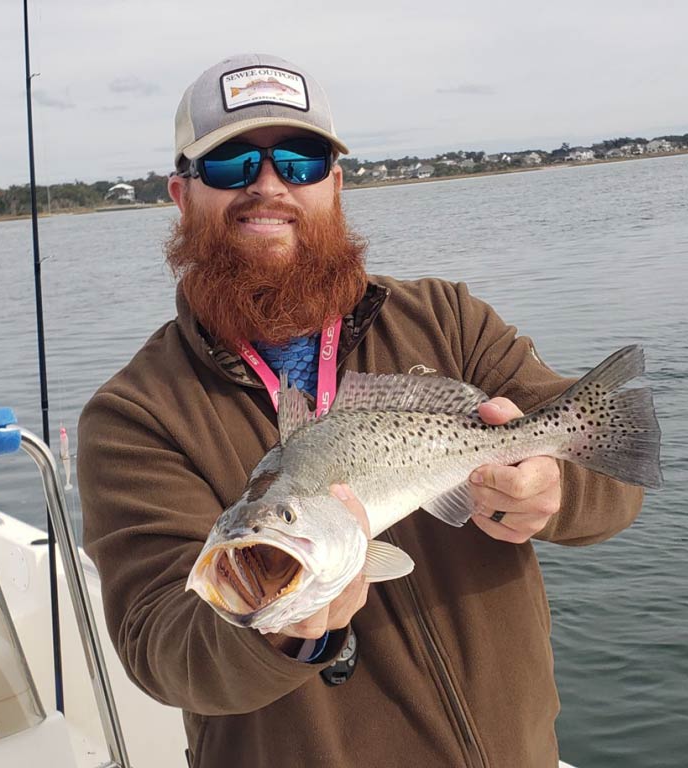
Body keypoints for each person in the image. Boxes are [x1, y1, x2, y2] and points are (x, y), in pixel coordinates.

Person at [78, 53, 644, 768]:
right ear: (181, 194)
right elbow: (160, 647)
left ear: (336, 185)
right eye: (228, 166)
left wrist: (559, 491)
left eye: (301, 161)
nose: (268, 187)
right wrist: (278, 630)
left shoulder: (448, 320)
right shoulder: (134, 416)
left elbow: (616, 468)